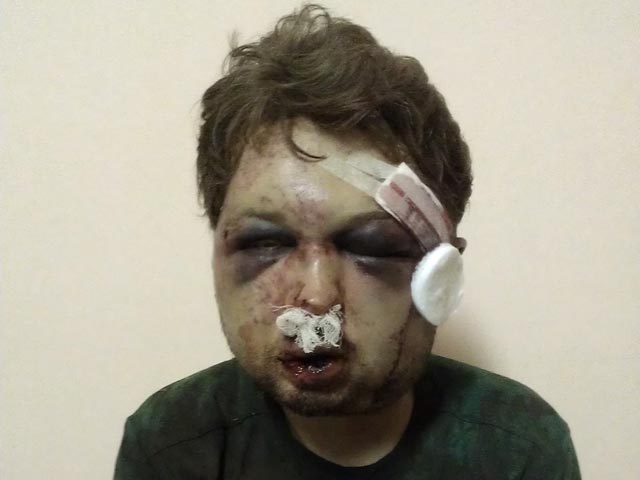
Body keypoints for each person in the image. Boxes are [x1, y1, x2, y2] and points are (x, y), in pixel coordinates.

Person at [114, 4, 580, 479]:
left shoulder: (516, 450)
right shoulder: (170, 446)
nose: (316, 298)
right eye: (265, 244)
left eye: (371, 247)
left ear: (443, 279)